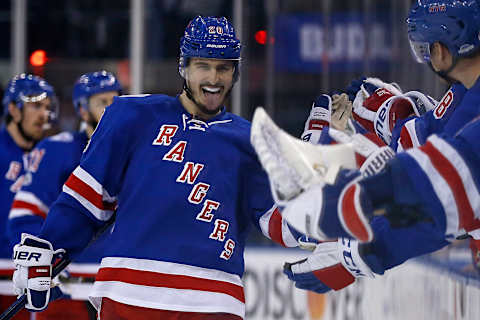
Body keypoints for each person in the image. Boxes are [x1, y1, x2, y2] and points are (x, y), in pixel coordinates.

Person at [9, 16, 302, 320]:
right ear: (183, 67)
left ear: (235, 72)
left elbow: (282, 225)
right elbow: (85, 203)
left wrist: (318, 188)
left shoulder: (252, 140)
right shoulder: (131, 116)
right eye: (203, 65)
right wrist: (47, 248)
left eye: (223, 67)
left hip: (213, 303)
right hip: (128, 296)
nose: (214, 78)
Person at [252, 0, 480, 293]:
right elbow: (448, 183)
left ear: (440, 50)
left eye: (424, 49)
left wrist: (364, 243)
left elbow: (448, 187)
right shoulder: (467, 92)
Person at [8, 71, 122, 320]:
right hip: (68, 292)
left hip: (117, 292)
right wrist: (41, 262)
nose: (111, 109)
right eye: (102, 102)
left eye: (116, 101)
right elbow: (25, 215)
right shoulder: (57, 150)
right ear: (82, 110)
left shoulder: (136, 155)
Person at [0, 74, 57, 319]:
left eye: (47, 108)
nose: (44, 115)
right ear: (13, 109)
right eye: (35, 106)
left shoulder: (52, 155)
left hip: (31, 279)